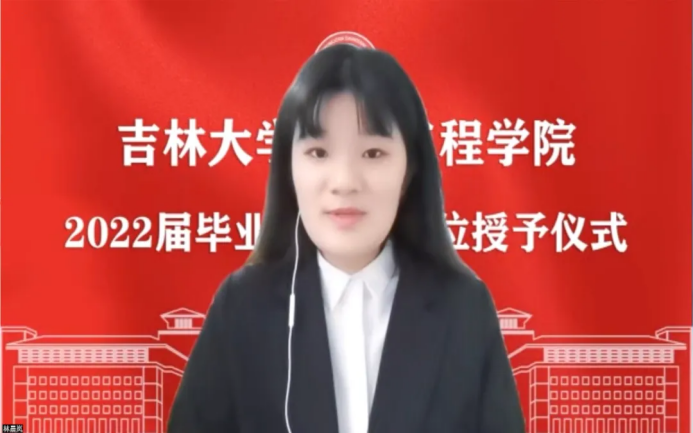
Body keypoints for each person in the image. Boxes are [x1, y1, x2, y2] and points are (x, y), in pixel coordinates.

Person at [167, 43, 525, 433]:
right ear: (289, 168)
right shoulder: (242, 308)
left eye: (373, 153)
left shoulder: (463, 310)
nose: (344, 182)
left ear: (409, 170)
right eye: (318, 153)